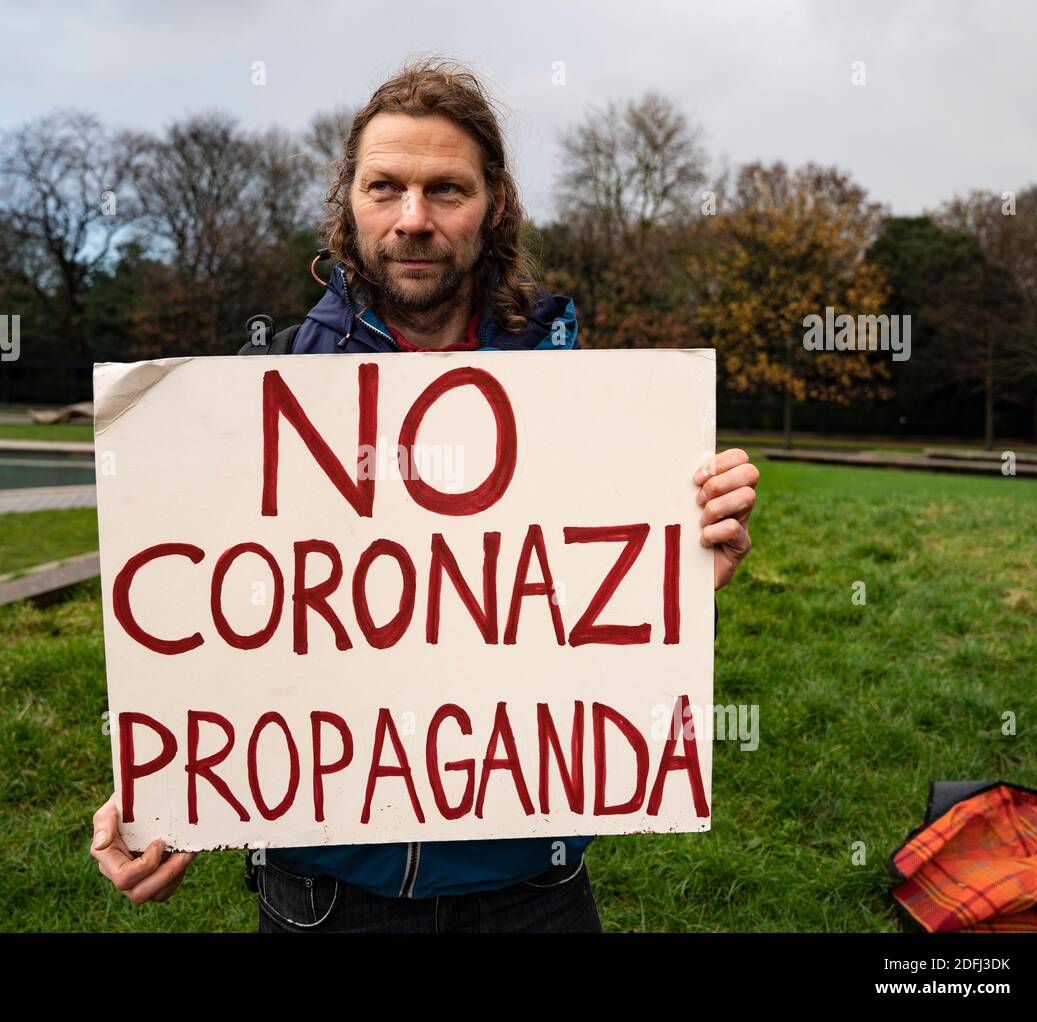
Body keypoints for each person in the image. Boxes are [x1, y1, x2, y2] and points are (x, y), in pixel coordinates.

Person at [90, 57, 759, 933]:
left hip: (532, 884)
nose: (413, 220)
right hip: (326, 890)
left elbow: (582, 638)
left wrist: (682, 578)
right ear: (349, 200)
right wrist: (160, 784)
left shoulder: (589, 405)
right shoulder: (260, 391)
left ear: (495, 206)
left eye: (446, 190)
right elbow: (235, 626)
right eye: (386, 187)